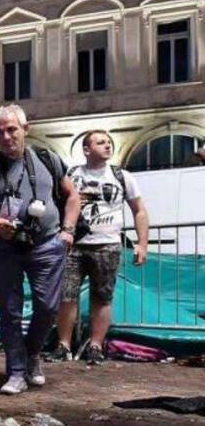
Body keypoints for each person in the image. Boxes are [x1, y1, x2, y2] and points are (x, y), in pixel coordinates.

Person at [0, 103, 80, 395]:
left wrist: (67, 230)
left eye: (11, 129)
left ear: (26, 129)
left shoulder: (47, 158)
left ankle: (32, 355)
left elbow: (72, 196)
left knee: (47, 307)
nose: (6, 137)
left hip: (47, 244)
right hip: (4, 248)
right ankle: (16, 370)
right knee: (10, 312)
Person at [48, 130, 149, 364]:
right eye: (101, 142)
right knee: (66, 295)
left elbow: (139, 210)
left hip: (108, 244)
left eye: (108, 142)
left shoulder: (122, 176)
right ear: (86, 149)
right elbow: (54, 203)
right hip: (74, 244)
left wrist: (142, 244)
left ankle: (95, 346)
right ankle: (63, 345)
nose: (107, 146)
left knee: (103, 297)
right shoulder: (71, 174)